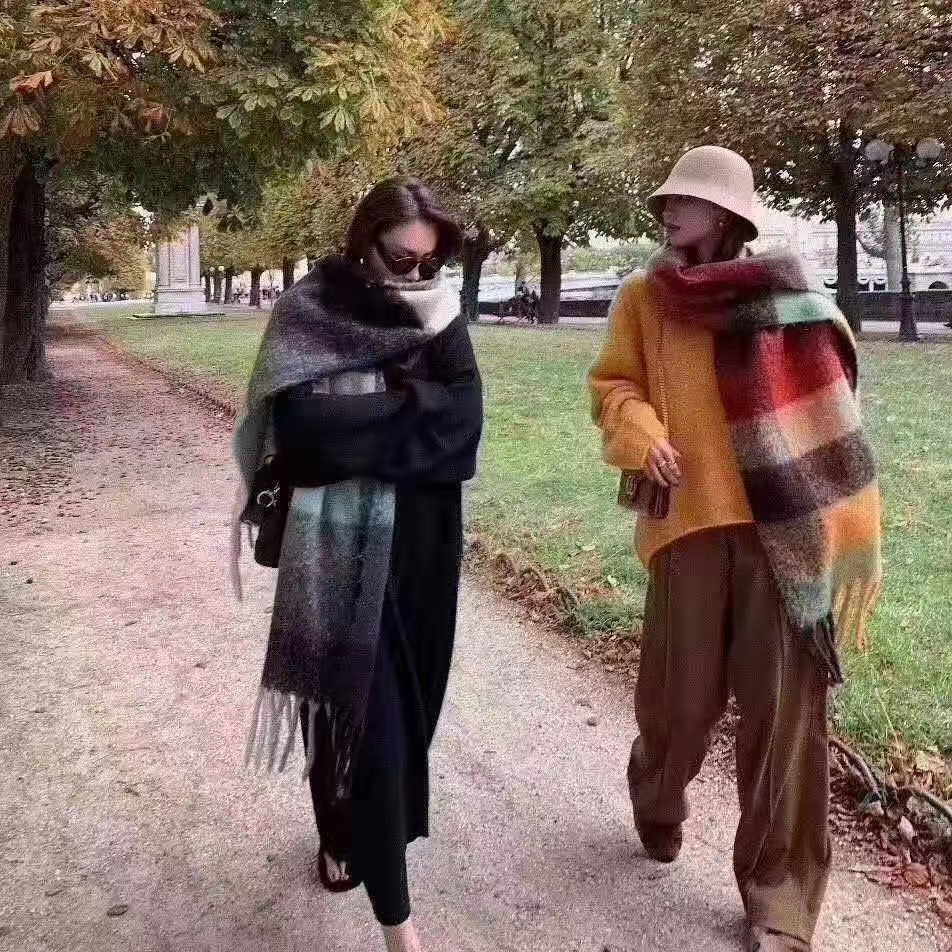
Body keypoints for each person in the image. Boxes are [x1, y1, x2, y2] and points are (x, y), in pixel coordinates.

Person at [588, 146, 882, 952]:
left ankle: (779, 901)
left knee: (785, 719)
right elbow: (614, 384)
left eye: (683, 201)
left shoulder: (788, 297)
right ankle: (657, 795)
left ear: (725, 215)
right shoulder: (646, 297)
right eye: (664, 202)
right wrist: (639, 431)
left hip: (785, 535)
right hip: (687, 527)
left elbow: (833, 395)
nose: (667, 212)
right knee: (678, 706)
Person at [232, 177, 483, 952]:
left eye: (429, 263)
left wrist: (371, 426)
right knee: (363, 721)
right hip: (335, 547)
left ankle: (346, 828)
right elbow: (306, 437)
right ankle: (396, 920)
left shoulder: (438, 312)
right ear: (362, 239)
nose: (415, 276)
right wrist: (416, 408)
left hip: (423, 543)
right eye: (400, 259)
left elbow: (465, 427)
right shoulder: (307, 312)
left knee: (404, 712)